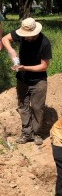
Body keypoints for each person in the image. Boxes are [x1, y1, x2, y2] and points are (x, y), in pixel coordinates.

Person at [2, 17, 52, 145]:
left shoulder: (44, 43)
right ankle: (26, 133)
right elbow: (4, 39)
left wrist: (25, 68)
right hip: (22, 79)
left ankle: (37, 133)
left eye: (28, 35)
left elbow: (44, 66)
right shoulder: (21, 36)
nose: (26, 37)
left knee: (37, 108)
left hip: (38, 81)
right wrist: (11, 50)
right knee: (23, 106)